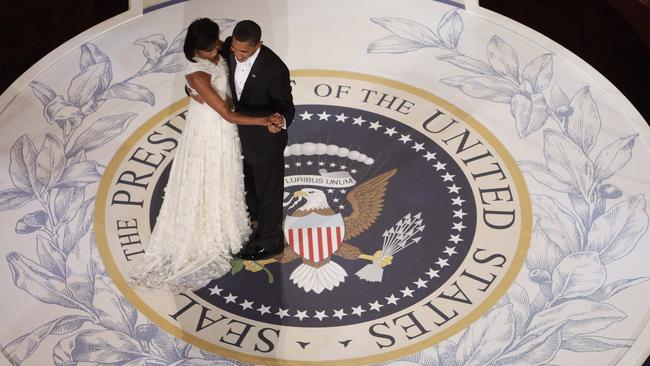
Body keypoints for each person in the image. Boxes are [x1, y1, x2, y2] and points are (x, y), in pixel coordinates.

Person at [127, 18, 282, 293]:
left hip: (228, 131)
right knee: (212, 176)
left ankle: (247, 218)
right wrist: (264, 120)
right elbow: (227, 113)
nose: (221, 50)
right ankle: (218, 227)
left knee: (235, 175)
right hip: (213, 131)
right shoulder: (196, 74)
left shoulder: (222, 50)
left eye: (219, 45)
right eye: (213, 49)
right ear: (198, 50)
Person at [193, 20, 295, 261]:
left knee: (269, 189)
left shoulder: (274, 69)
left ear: (258, 45)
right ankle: (256, 224)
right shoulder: (229, 47)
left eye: (244, 52)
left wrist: (279, 120)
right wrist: (192, 89)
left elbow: (286, 107)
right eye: (235, 50)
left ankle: (271, 242)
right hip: (237, 133)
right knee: (247, 183)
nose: (237, 55)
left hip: (265, 137)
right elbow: (204, 71)